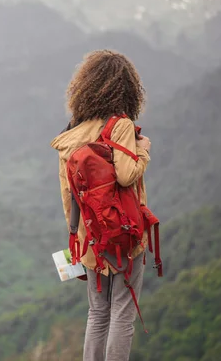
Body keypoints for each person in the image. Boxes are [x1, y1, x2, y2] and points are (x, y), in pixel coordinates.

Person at [50, 49, 152, 361]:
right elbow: (125, 175)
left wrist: (77, 235)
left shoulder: (71, 134)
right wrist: (143, 150)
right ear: (126, 88)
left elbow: (68, 193)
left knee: (97, 314)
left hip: (90, 237)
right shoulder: (118, 125)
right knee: (122, 312)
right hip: (123, 234)